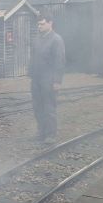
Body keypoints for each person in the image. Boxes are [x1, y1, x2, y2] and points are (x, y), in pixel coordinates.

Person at [30, 15, 66, 144]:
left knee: (49, 107)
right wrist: (32, 75)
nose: (39, 26)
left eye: (42, 24)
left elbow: (60, 61)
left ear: (50, 23)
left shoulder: (57, 40)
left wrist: (57, 81)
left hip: (49, 80)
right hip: (36, 79)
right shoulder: (36, 40)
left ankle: (51, 134)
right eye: (38, 24)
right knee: (37, 107)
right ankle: (41, 131)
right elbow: (33, 58)